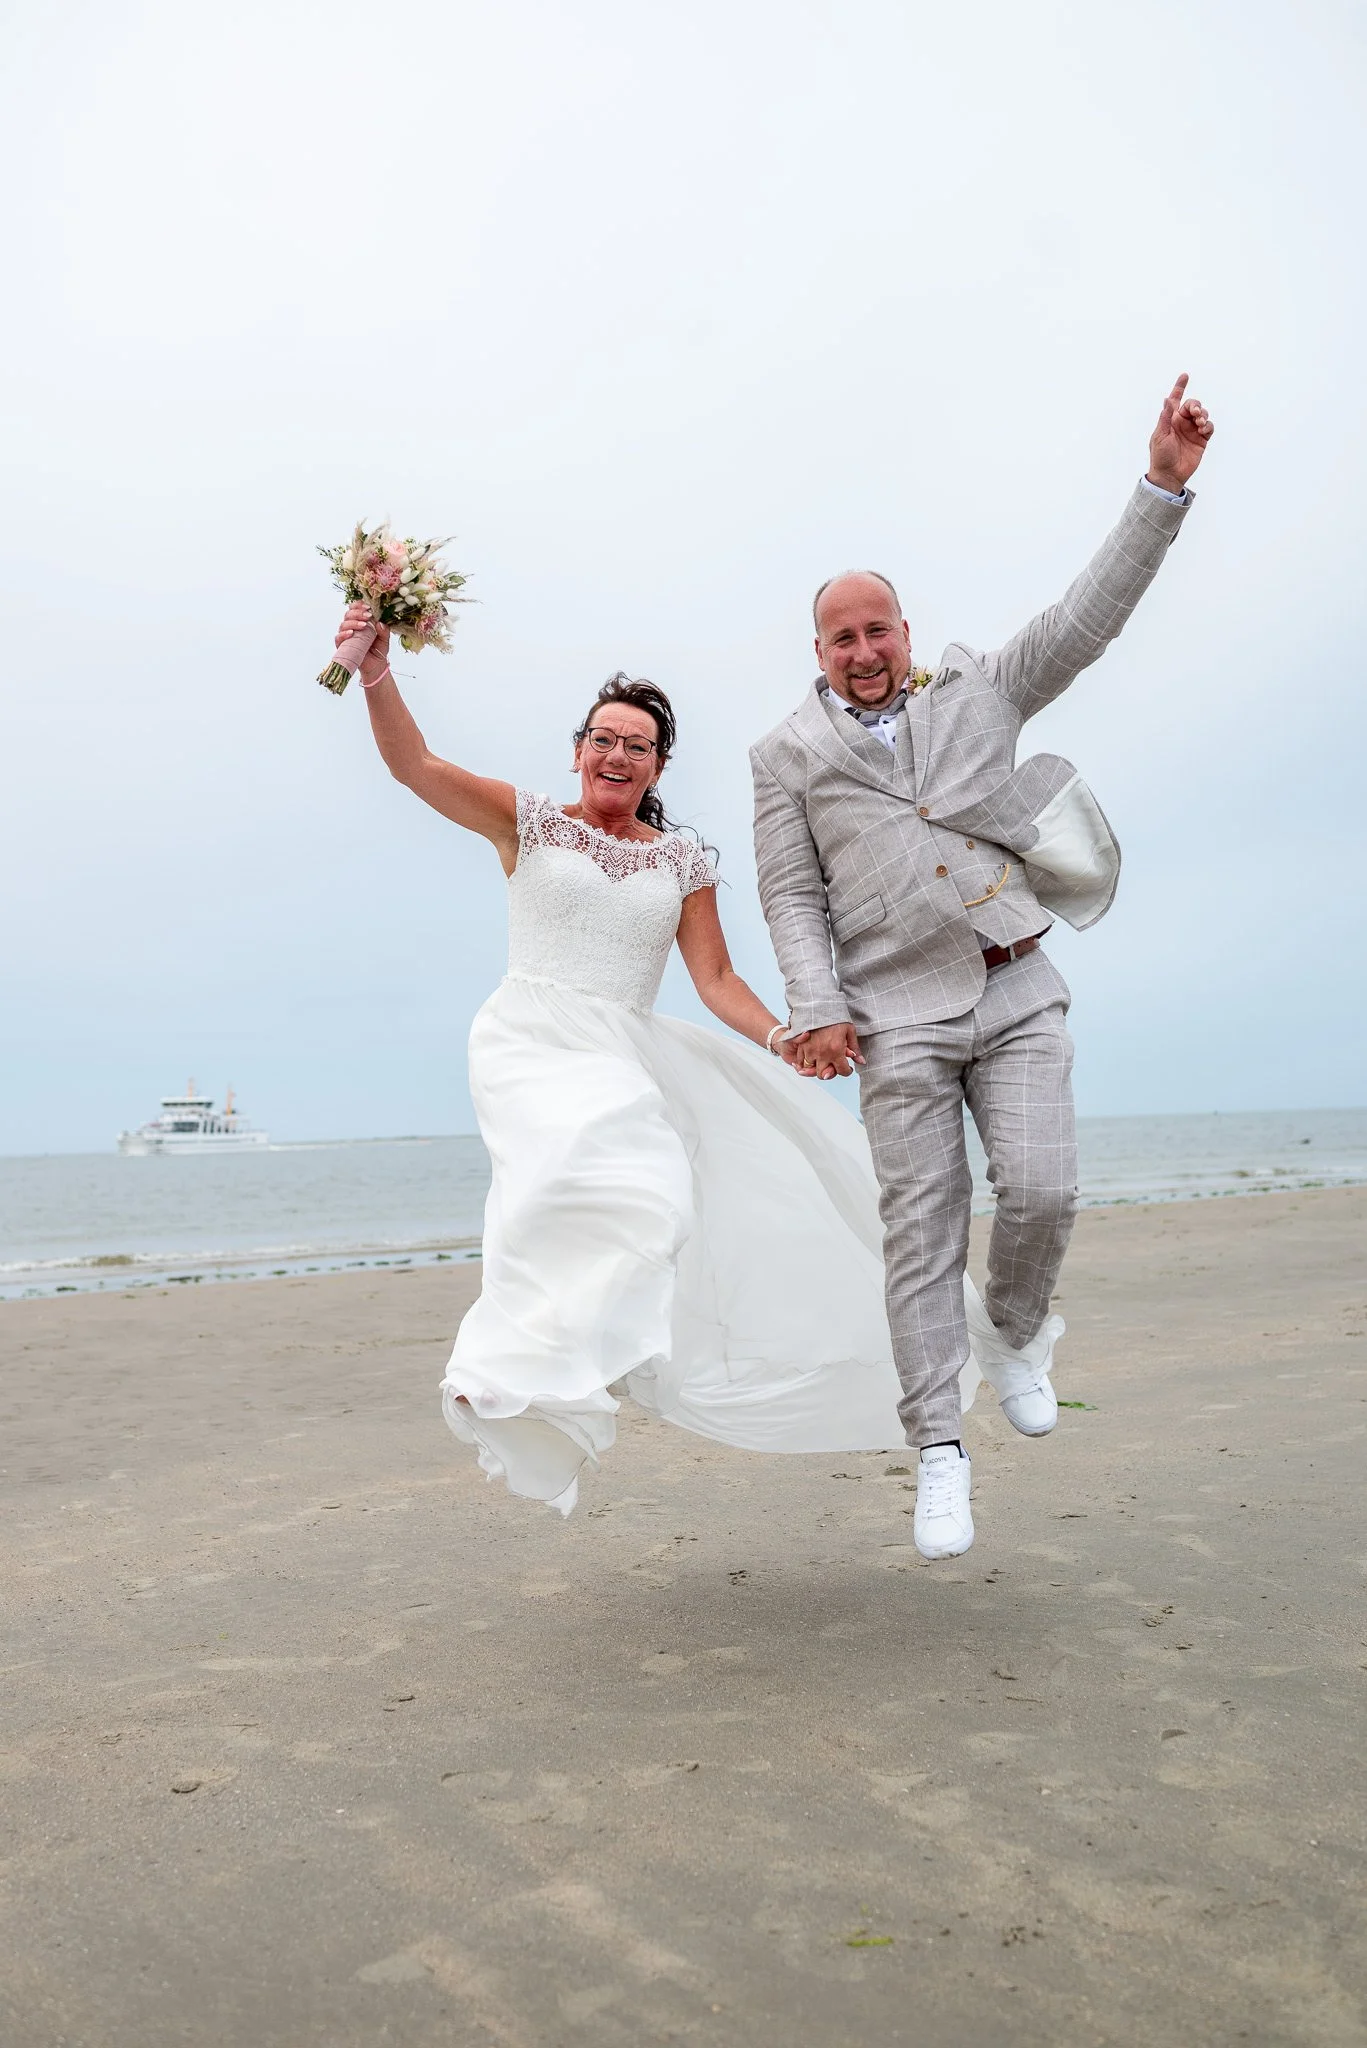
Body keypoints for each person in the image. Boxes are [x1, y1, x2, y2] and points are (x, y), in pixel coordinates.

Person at [336, 614, 983, 1522]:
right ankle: (495, 1372)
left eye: (637, 746)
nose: (618, 754)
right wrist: (375, 673)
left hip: (620, 1046)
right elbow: (416, 767)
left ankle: (582, 1361)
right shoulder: (527, 825)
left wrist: (782, 1037)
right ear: (577, 751)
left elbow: (715, 978)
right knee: (552, 1185)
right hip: (529, 1037)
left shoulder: (680, 861)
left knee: (651, 1197)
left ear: (657, 768)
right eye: (603, 738)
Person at [750, 374, 1215, 1559]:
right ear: (818, 649)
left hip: (1012, 980)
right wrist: (815, 1007)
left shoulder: (975, 695)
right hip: (891, 1017)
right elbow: (790, 895)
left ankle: (1014, 1330)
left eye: (879, 629)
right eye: (842, 635)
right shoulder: (783, 758)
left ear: (903, 634)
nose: (864, 649)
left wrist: (1161, 484)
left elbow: (1083, 619)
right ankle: (938, 1452)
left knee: (1045, 1188)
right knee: (919, 1232)